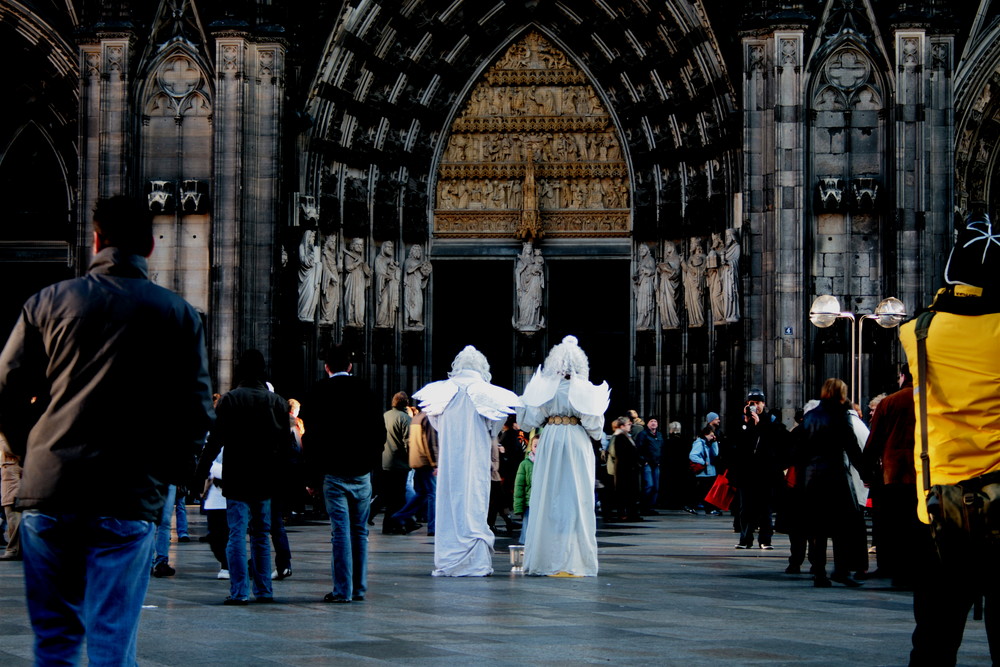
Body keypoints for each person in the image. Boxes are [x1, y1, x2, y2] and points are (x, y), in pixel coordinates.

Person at [0, 195, 214, 664]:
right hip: (129, 493)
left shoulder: (46, 302)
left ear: (96, 239)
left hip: (50, 489)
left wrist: (29, 451)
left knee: (54, 644)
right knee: (112, 645)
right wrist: (166, 479)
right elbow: (198, 412)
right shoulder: (177, 315)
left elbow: (7, 389)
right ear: (151, 247)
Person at [899, 212, 1000, 665]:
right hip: (999, 506)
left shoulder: (917, 333)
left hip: (940, 509)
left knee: (935, 641)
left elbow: (940, 305)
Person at [413, 346, 521, 577]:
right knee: (474, 499)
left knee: (450, 502)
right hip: (476, 455)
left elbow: (435, 423)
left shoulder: (441, 391)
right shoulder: (488, 392)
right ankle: (474, 560)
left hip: (451, 456)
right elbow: (494, 426)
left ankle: (450, 556)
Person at [196, 350, 290, 605]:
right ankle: (264, 589)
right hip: (265, 477)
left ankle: (239, 591)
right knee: (261, 533)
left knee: (236, 532)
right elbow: (286, 447)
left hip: (237, 476)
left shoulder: (230, 400)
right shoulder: (278, 402)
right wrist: (288, 480)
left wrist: (200, 472)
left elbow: (216, 440)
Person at [518, 335, 609, 576]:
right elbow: (595, 428)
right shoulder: (585, 390)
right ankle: (574, 559)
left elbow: (529, 422)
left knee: (548, 495)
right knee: (576, 496)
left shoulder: (544, 390)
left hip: (550, 438)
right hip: (576, 440)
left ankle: (546, 558)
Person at [301, 345, 386, 602]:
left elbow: (310, 440)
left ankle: (342, 590)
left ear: (327, 367)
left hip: (333, 473)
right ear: (350, 366)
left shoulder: (318, 391)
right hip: (361, 472)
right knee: (360, 531)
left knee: (340, 532)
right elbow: (379, 435)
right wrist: (369, 462)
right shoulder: (366, 391)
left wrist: (312, 479)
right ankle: (359, 588)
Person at [798, 378, 866, 587]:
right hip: (835, 475)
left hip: (812, 477)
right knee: (842, 525)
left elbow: (800, 449)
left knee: (817, 526)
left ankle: (819, 573)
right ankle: (841, 570)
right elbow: (852, 447)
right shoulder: (840, 415)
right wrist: (866, 473)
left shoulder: (809, 417)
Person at [862, 364, 918, 588]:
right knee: (919, 524)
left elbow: (874, 441)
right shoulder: (934, 398)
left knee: (896, 525)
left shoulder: (891, 402)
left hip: (894, 472)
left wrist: (867, 472)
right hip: (927, 472)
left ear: (903, 376)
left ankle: (898, 572)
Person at [731, 390, 787, 549]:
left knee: (765, 508)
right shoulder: (742, 422)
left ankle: (765, 540)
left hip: (765, 472)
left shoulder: (771, 421)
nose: (754, 406)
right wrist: (747, 423)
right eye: (751, 403)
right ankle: (745, 539)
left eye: (757, 403)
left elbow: (778, 441)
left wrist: (759, 424)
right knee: (745, 509)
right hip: (747, 472)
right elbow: (737, 444)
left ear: (763, 404)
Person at [391, 405, 438, 537]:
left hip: (417, 460)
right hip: (426, 462)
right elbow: (431, 442)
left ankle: (399, 516)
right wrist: (435, 463)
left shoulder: (417, 417)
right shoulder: (428, 419)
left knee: (422, 493)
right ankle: (433, 527)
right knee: (432, 494)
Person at [381, 391, 413, 534]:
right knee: (399, 497)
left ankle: (388, 525)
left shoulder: (385, 416)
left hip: (385, 461)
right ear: (405, 403)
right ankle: (395, 525)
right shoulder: (405, 418)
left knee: (390, 496)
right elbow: (408, 443)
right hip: (400, 463)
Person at [611, 416, 642, 522]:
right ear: (622, 426)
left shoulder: (626, 436)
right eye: (628, 424)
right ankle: (624, 514)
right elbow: (623, 454)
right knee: (624, 492)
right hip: (625, 469)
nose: (630, 426)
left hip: (630, 469)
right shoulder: (620, 437)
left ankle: (632, 513)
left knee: (631, 492)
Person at [686, 425, 720, 515]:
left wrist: (714, 442)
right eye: (711, 435)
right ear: (705, 434)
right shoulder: (699, 442)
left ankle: (703, 508)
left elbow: (715, 453)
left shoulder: (708, 443)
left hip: (709, 471)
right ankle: (696, 506)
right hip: (703, 471)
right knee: (703, 491)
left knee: (705, 491)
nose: (712, 437)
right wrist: (703, 462)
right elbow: (692, 455)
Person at [634, 416, 663, 515]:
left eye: (655, 421)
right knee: (649, 485)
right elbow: (638, 448)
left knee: (656, 487)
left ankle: (650, 507)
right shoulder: (643, 434)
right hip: (647, 463)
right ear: (647, 424)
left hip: (656, 463)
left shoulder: (659, 435)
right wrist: (643, 461)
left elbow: (661, 448)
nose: (654, 423)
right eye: (651, 421)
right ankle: (644, 507)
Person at [513, 433, 539, 544]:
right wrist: (518, 506)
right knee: (527, 530)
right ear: (531, 447)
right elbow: (519, 486)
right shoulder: (525, 464)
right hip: (530, 503)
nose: (538, 449)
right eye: (535, 446)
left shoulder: (551, 464)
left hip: (545, 504)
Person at [0, 441, 22, 561]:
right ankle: (16, 549)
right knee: (11, 514)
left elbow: (8, 448)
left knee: (13, 513)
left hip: (11, 471)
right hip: (10, 470)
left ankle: (14, 549)